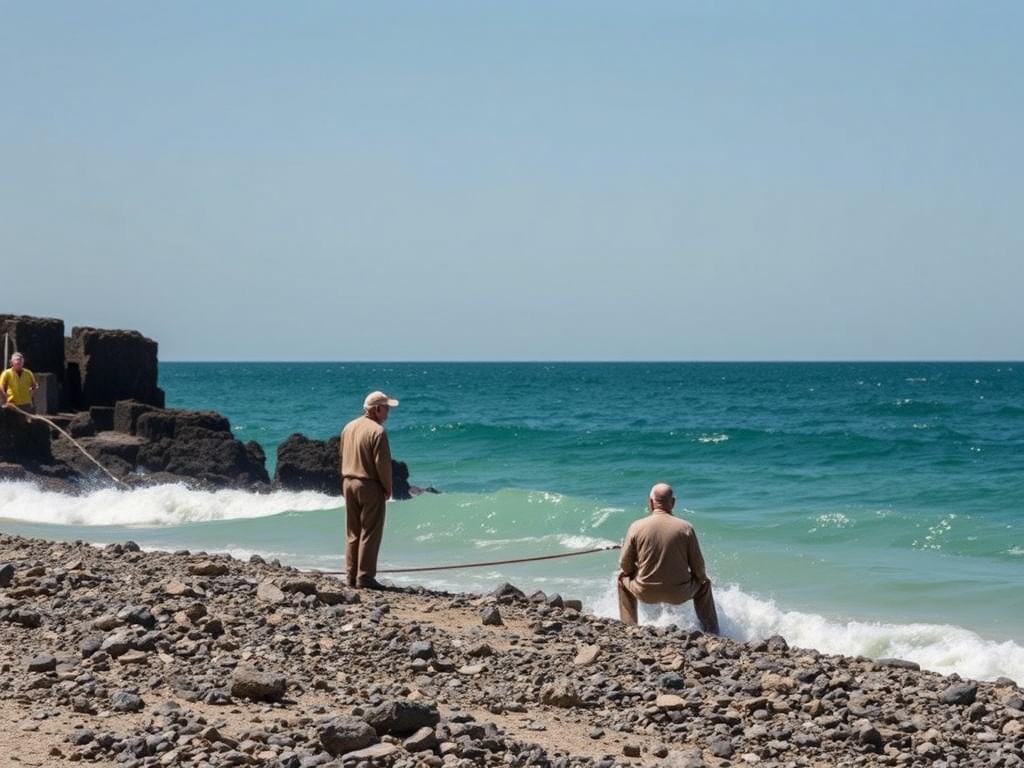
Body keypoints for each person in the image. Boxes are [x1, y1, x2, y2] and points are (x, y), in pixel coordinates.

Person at [617, 482, 720, 634]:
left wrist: (634, 571)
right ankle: (712, 632)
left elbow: (625, 565)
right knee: (704, 585)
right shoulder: (686, 528)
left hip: (646, 592)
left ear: (651, 502)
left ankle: (629, 628)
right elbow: (698, 567)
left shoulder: (636, 526)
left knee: (622, 580)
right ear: (672, 503)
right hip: (679, 593)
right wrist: (702, 578)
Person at [339, 390, 399, 590]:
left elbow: (341, 454)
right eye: (387, 408)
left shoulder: (348, 427)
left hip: (348, 481)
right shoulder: (377, 432)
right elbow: (382, 464)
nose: (388, 412)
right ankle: (365, 577)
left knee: (353, 531)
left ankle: (351, 575)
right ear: (377, 409)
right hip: (369, 484)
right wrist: (387, 487)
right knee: (370, 531)